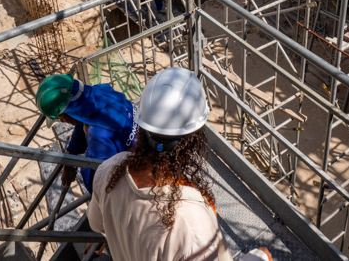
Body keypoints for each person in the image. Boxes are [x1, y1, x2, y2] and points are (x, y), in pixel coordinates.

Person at [88, 68, 271, 261]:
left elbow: (96, 224)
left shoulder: (108, 171)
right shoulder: (192, 228)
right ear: (193, 140)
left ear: (141, 128)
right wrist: (259, 257)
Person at [36, 74, 137, 193]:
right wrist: (70, 157)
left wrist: (83, 168)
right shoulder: (101, 91)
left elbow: (99, 184)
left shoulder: (99, 138)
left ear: (67, 113)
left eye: (61, 118)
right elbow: (84, 119)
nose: (63, 121)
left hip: (134, 173)